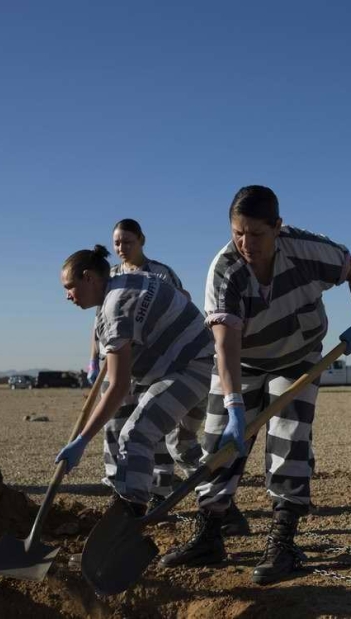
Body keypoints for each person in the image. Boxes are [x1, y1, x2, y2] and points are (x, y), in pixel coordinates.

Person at [158, 185, 351, 585]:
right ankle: (209, 533)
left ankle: (284, 541)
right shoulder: (225, 271)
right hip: (241, 360)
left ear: (278, 227)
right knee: (219, 443)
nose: (245, 243)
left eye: (256, 234)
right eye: (238, 233)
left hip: (299, 356)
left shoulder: (308, 250)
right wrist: (236, 406)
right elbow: (224, 344)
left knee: (289, 439)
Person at [82, 219, 247, 527]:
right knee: (118, 427)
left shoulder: (159, 273)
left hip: (172, 364)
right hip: (135, 368)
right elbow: (100, 327)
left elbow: (177, 306)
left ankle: (169, 497)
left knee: (164, 437)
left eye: (127, 242)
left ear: (141, 241)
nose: (121, 248)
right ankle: (127, 495)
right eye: (117, 243)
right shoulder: (112, 276)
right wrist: (94, 360)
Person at [55, 245, 214, 518]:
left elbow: (117, 386)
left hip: (193, 367)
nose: (67, 296)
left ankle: (131, 515)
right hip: (196, 360)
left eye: (70, 286)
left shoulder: (114, 310)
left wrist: (82, 440)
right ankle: (223, 511)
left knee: (137, 433)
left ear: (89, 277)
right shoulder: (129, 280)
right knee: (181, 443)